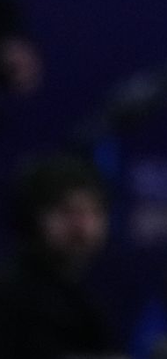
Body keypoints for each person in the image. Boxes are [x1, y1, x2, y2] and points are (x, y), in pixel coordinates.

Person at [0, 153, 116, 359]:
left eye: (93, 212)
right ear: (33, 218)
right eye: (67, 212)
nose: (81, 227)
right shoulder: (11, 296)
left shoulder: (81, 301)